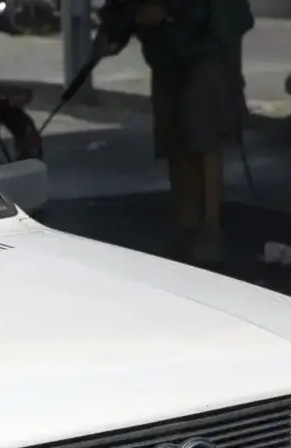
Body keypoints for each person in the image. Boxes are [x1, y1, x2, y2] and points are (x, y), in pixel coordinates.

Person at [95, 0, 254, 265]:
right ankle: (186, 224)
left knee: (204, 138)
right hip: (166, 52)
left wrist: (169, 11)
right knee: (174, 140)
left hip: (207, 43)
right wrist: (109, 31)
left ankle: (210, 228)